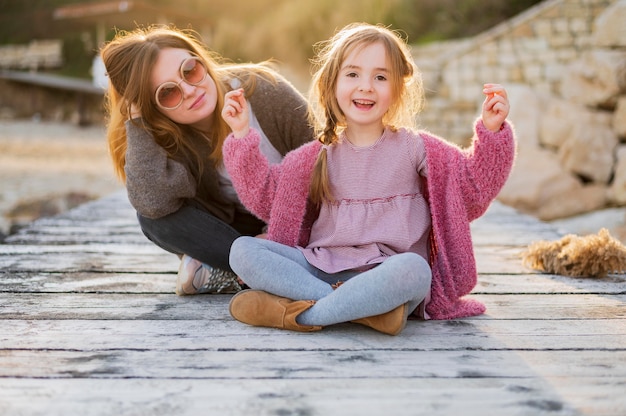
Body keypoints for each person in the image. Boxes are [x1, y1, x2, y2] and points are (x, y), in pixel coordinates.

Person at [220, 23, 516, 335]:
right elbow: (267, 198)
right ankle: (361, 312)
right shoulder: (315, 157)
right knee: (242, 250)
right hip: (321, 269)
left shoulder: (416, 148)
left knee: (415, 270)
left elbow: (470, 187)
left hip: (387, 275)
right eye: (352, 74)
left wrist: (492, 131)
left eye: (380, 76)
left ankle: (303, 315)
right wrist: (241, 134)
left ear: (398, 89)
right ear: (331, 83)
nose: (366, 86)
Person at [100, 26, 314, 295]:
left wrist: (277, 234)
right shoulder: (166, 134)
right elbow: (152, 203)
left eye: (190, 70)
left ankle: (237, 268)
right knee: (153, 219)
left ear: (200, 58)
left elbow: (326, 158)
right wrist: (137, 120)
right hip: (237, 232)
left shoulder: (264, 91)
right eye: (168, 93)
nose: (190, 90)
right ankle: (257, 265)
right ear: (152, 109)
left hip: (303, 218)